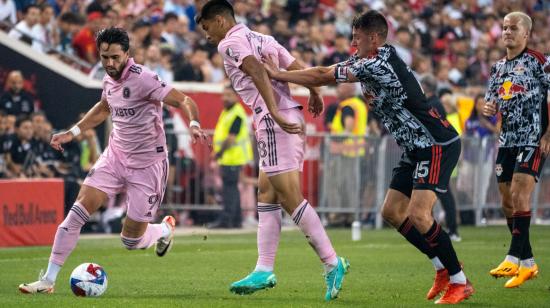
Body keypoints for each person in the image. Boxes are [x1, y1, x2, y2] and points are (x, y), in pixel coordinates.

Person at [265, 10, 473, 304]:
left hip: (435, 143)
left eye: (357, 37)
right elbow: (326, 71)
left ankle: (459, 280)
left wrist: (277, 74)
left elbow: (324, 74)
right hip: (414, 147)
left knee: (419, 214)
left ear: (374, 38)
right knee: (391, 212)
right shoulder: (366, 60)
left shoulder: (378, 63)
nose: (352, 42)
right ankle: (441, 267)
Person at [19, 27, 208, 294]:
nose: (109, 63)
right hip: (115, 157)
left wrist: (195, 122)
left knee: (131, 241)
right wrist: (73, 132)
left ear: (127, 54)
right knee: (75, 215)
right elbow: (105, 107)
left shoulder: (145, 79)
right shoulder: (108, 79)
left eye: (115, 57)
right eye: (104, 57)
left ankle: (164, 229)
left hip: (148, 165)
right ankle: (48, 280)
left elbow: (185, 99)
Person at [196, 0, 349, 301]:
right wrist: (314, 91)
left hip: (274, 119)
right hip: (282, 116)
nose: (206, 35)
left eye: (206, 27)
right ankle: (264, 268)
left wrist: (274, 111)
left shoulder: (229, 43)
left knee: (291, 197)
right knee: (266, 193)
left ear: (220, 21)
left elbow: (255, 70)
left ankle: (332, 262)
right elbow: (293, 66)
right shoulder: (262, 38)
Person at [483, 12, 550, 288]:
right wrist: (489, 108)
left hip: (533, 137)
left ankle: (512, 256)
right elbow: (492, 101)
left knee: (519, 193)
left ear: (526, 34)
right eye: (504, 27)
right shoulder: (498, 67)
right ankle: (528, 263)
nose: (507, 32)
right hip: (507, 139)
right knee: (506, 202)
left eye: (513, 28)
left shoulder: (540, 62)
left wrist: (548, 132)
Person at [209, 83, 253, 229]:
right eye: (224, 95)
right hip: (229, 157)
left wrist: (218, 153)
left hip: (233, 157)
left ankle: (227, 219)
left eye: (228, 95)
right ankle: (236, 220)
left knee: (230, 189)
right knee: (232, 189)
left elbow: (231, 138)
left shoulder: (237, 113)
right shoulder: (228, 112)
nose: (224, 98)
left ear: (237, 97)